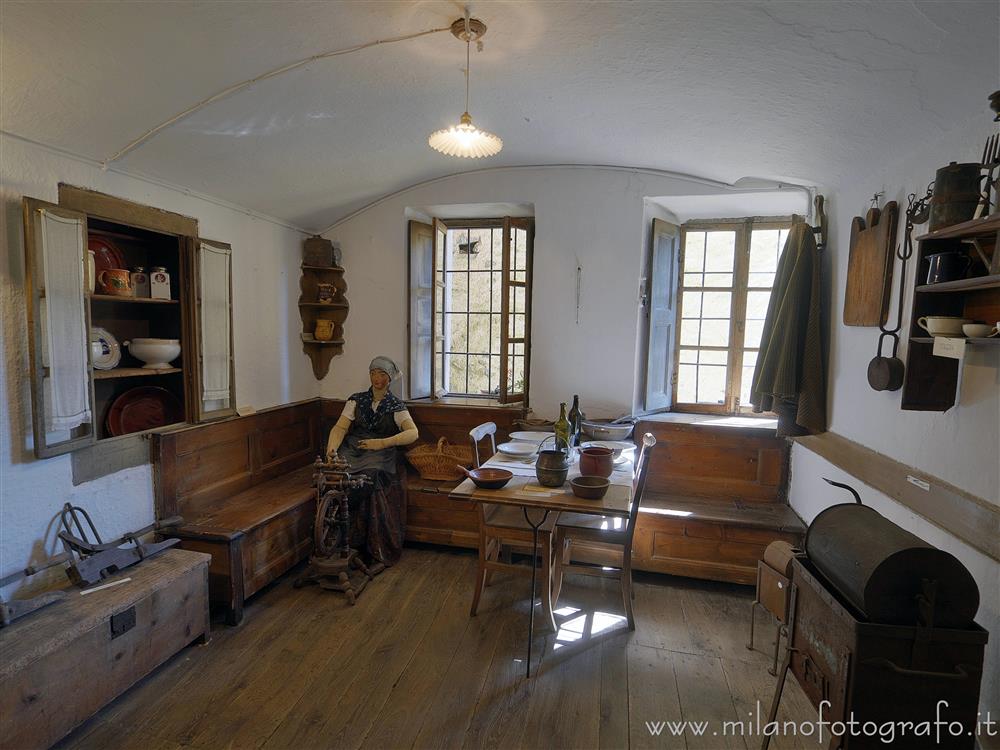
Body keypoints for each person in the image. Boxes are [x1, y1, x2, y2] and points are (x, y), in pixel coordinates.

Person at [325, 356, 418, 565]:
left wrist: (383, 443)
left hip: (381, 453)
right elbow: (340, 427)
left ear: (389, 378)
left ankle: (356, 537)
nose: (377, 378)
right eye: (374, 373)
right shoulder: (356, 400)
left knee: (369, 477)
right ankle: (335, 532)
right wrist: (331, 451)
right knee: (337, 472)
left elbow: (413, 433)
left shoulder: (395, 405)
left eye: (382, 374)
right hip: (354, 448)